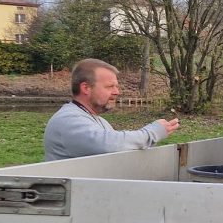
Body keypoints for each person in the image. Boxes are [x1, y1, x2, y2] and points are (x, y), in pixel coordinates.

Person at [43, 58, 179, 161]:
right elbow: (108, 145)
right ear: (86, 88)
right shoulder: (67, 120)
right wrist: (151, 133)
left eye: (116, 86)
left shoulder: (97, 120)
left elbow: (120, 152)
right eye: (109, 86)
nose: (117, 92)